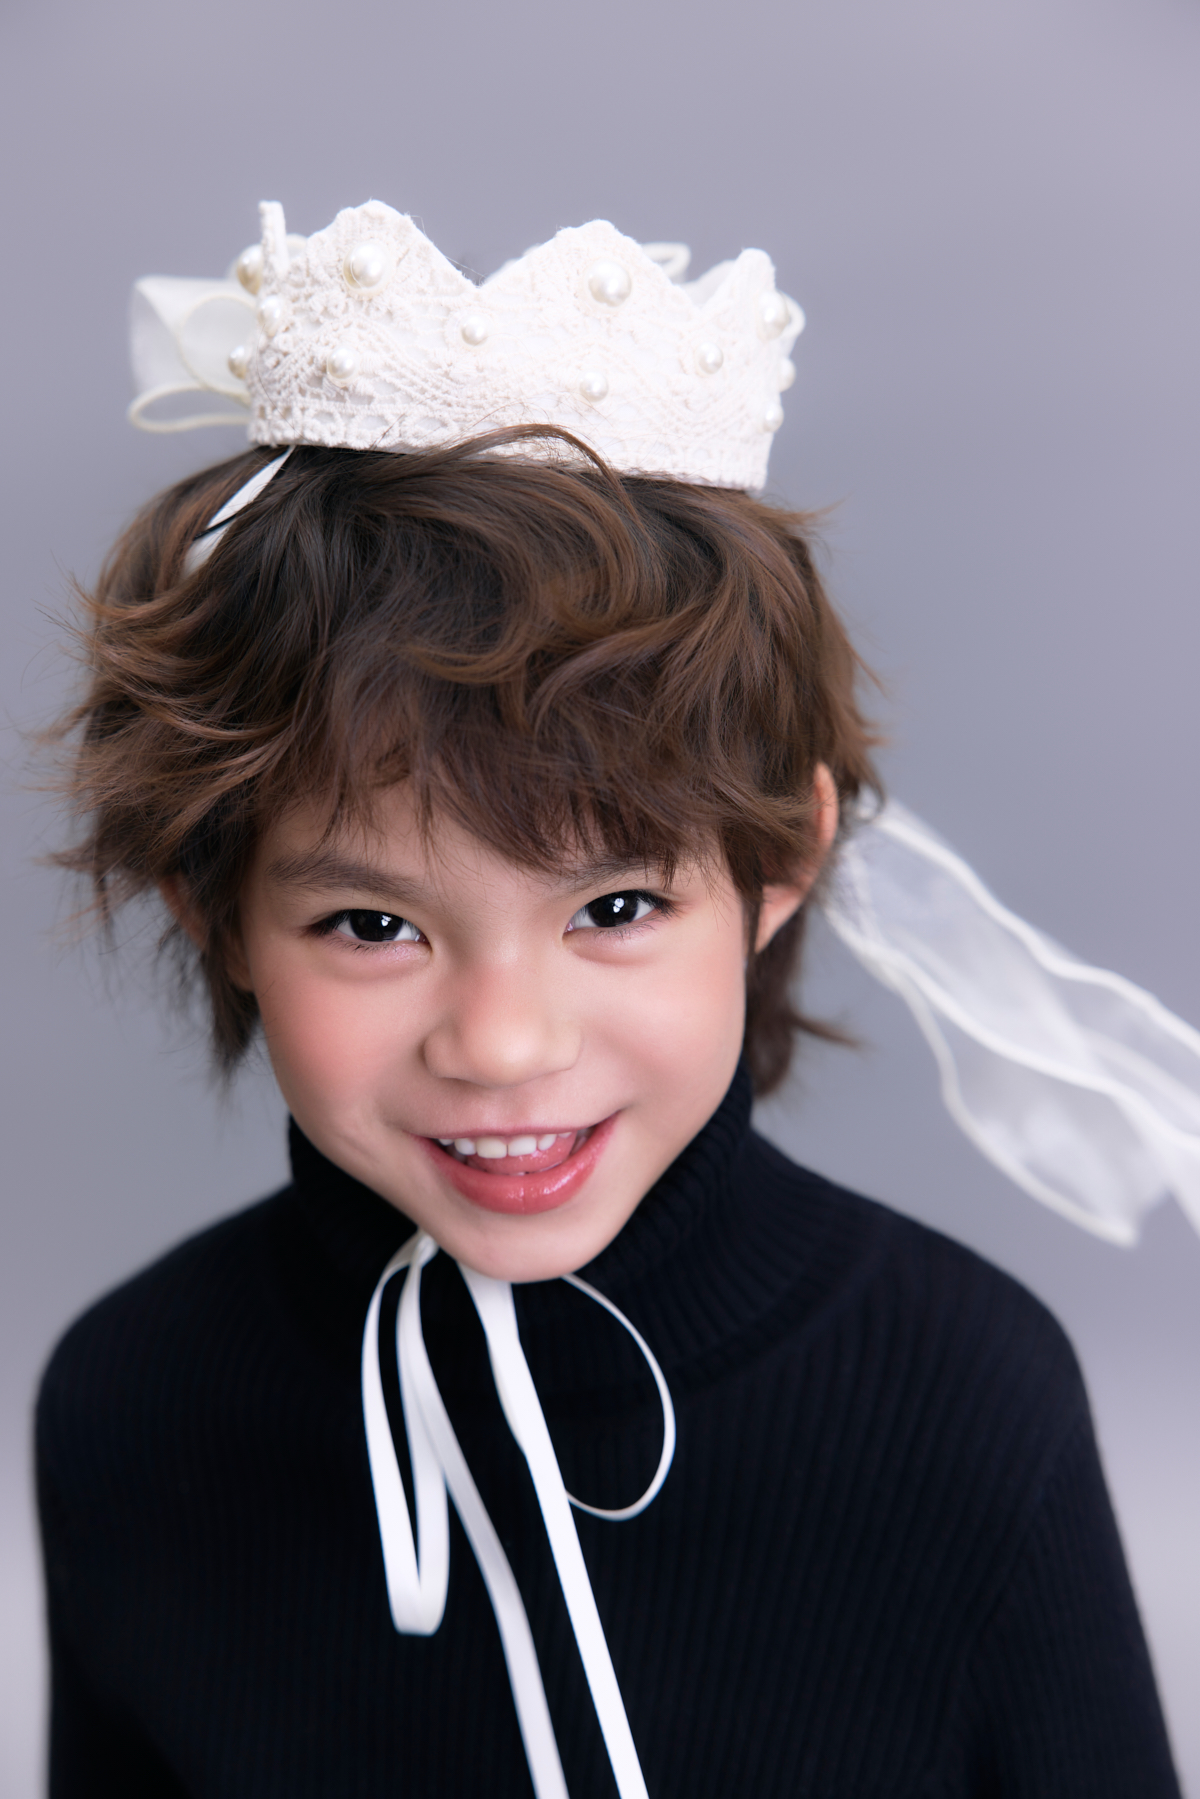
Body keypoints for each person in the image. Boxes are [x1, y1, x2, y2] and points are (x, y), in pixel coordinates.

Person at [36, 201, 1182, 1798]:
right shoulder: (129, 1402)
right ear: (213, 911)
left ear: (782, 864)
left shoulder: (968, 1400)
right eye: (373, 924)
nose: (503, 1043)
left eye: (616, 908)